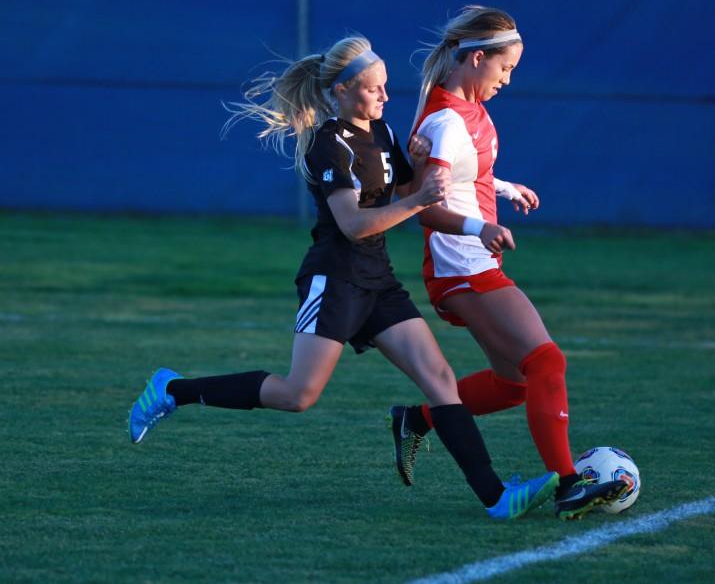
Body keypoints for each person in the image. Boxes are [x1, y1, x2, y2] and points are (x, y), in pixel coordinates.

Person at [126, 35, 559, 520]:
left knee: (441, 382)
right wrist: (416, 198)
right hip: (334, 280)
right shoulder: (327, 145)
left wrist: (420, 169)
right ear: (343, 91)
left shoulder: (384, 133)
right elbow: (355, 224)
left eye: (386, 88)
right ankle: (172, 390)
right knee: (298, 395)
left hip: (378, 279)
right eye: (375, 90)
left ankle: (496, 497)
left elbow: (415, 189)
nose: (385, 97)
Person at [387, 7, 626, 520]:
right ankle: (568, 483)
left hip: (470, 264)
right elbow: (425, 206)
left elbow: (461, 174)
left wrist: (502, 186)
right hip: (463, 267)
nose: (508, 79)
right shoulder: (448, 119)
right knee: (546, 363)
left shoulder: (466, 110)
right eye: (505, 68)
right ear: (476, 58)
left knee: (515, 383)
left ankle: (419, 419)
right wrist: (481, 227)